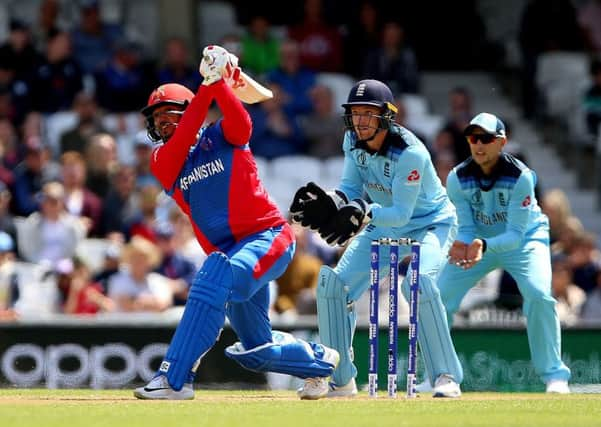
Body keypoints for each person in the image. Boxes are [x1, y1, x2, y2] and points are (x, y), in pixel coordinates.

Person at [133, 45, 339, 400]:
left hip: (267, 237)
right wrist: (211, 83)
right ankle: (319, 363)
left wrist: (219, 85)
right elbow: (184, 138)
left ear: (188, 113)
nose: (164, 125)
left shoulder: (219, 136)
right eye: (158, 120)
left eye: (170, 116)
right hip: (230, 252)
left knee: (214, 275)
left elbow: (243, 123)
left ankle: (174, 379)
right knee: (256, 351)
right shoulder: (163, 160)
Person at [290, 79, 463, 399]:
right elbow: (350, 189)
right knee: (333, 285)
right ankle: (338, 379)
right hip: (383, 220)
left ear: (386, 116)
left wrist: (362, 211)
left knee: (417, 281)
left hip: (430, 222)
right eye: (356, 114)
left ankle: (445, 375)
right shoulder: (351, 141)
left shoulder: (410, 153)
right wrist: (333, 201)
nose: (360, 121)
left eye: (368, 114)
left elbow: (400, 213)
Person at [438, 112, 571, 394]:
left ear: (502, 142)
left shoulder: (521, 177)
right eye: (473, 138)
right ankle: (443, 375)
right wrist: (463, 243)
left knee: (539, 294)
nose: (478, 144)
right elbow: (466, 223)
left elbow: (515, 235)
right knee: (438, 298)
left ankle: (555, 376)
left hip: (524, 240)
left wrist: (482, 246)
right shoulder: (457, 178)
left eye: (486, 138)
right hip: (478, 241)